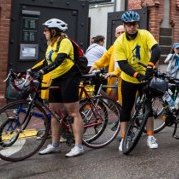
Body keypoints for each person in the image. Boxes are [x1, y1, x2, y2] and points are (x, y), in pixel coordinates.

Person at [29, 18, 85, 158]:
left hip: (69, 77)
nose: (44, 32)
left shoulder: (64, 42)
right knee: (55, 113)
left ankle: (78, 146)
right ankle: (55, 145)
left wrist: (42, 72)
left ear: (54, 31)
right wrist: (29, 71)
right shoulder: (51, 45)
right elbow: (47, 62)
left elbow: (59, 60)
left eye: (46, 30)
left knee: (73, 113)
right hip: (56, 78)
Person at [114, 10, 162, 151]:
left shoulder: (145, 34)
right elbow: (122, 64)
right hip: (129, 78)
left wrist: (150, 66)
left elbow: (156, 49)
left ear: (137, 24)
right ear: (124, 25)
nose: (132, 27)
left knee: (148, 106)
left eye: (134, 24)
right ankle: (124, 137)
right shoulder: (119, 42)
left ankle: (150, 136)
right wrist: (136, 75)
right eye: (129, 25)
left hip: (145, 77)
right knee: (126, 108)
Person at [90, 26, 125, 100]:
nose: (121, 34)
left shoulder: (128, 44)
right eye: (118, 33)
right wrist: (96, 65)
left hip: (126, 76)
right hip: (117, 77)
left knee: (126, 101)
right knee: (111, 100)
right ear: (115, 35)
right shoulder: (115, 45)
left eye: (123, 32)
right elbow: (106, 56)